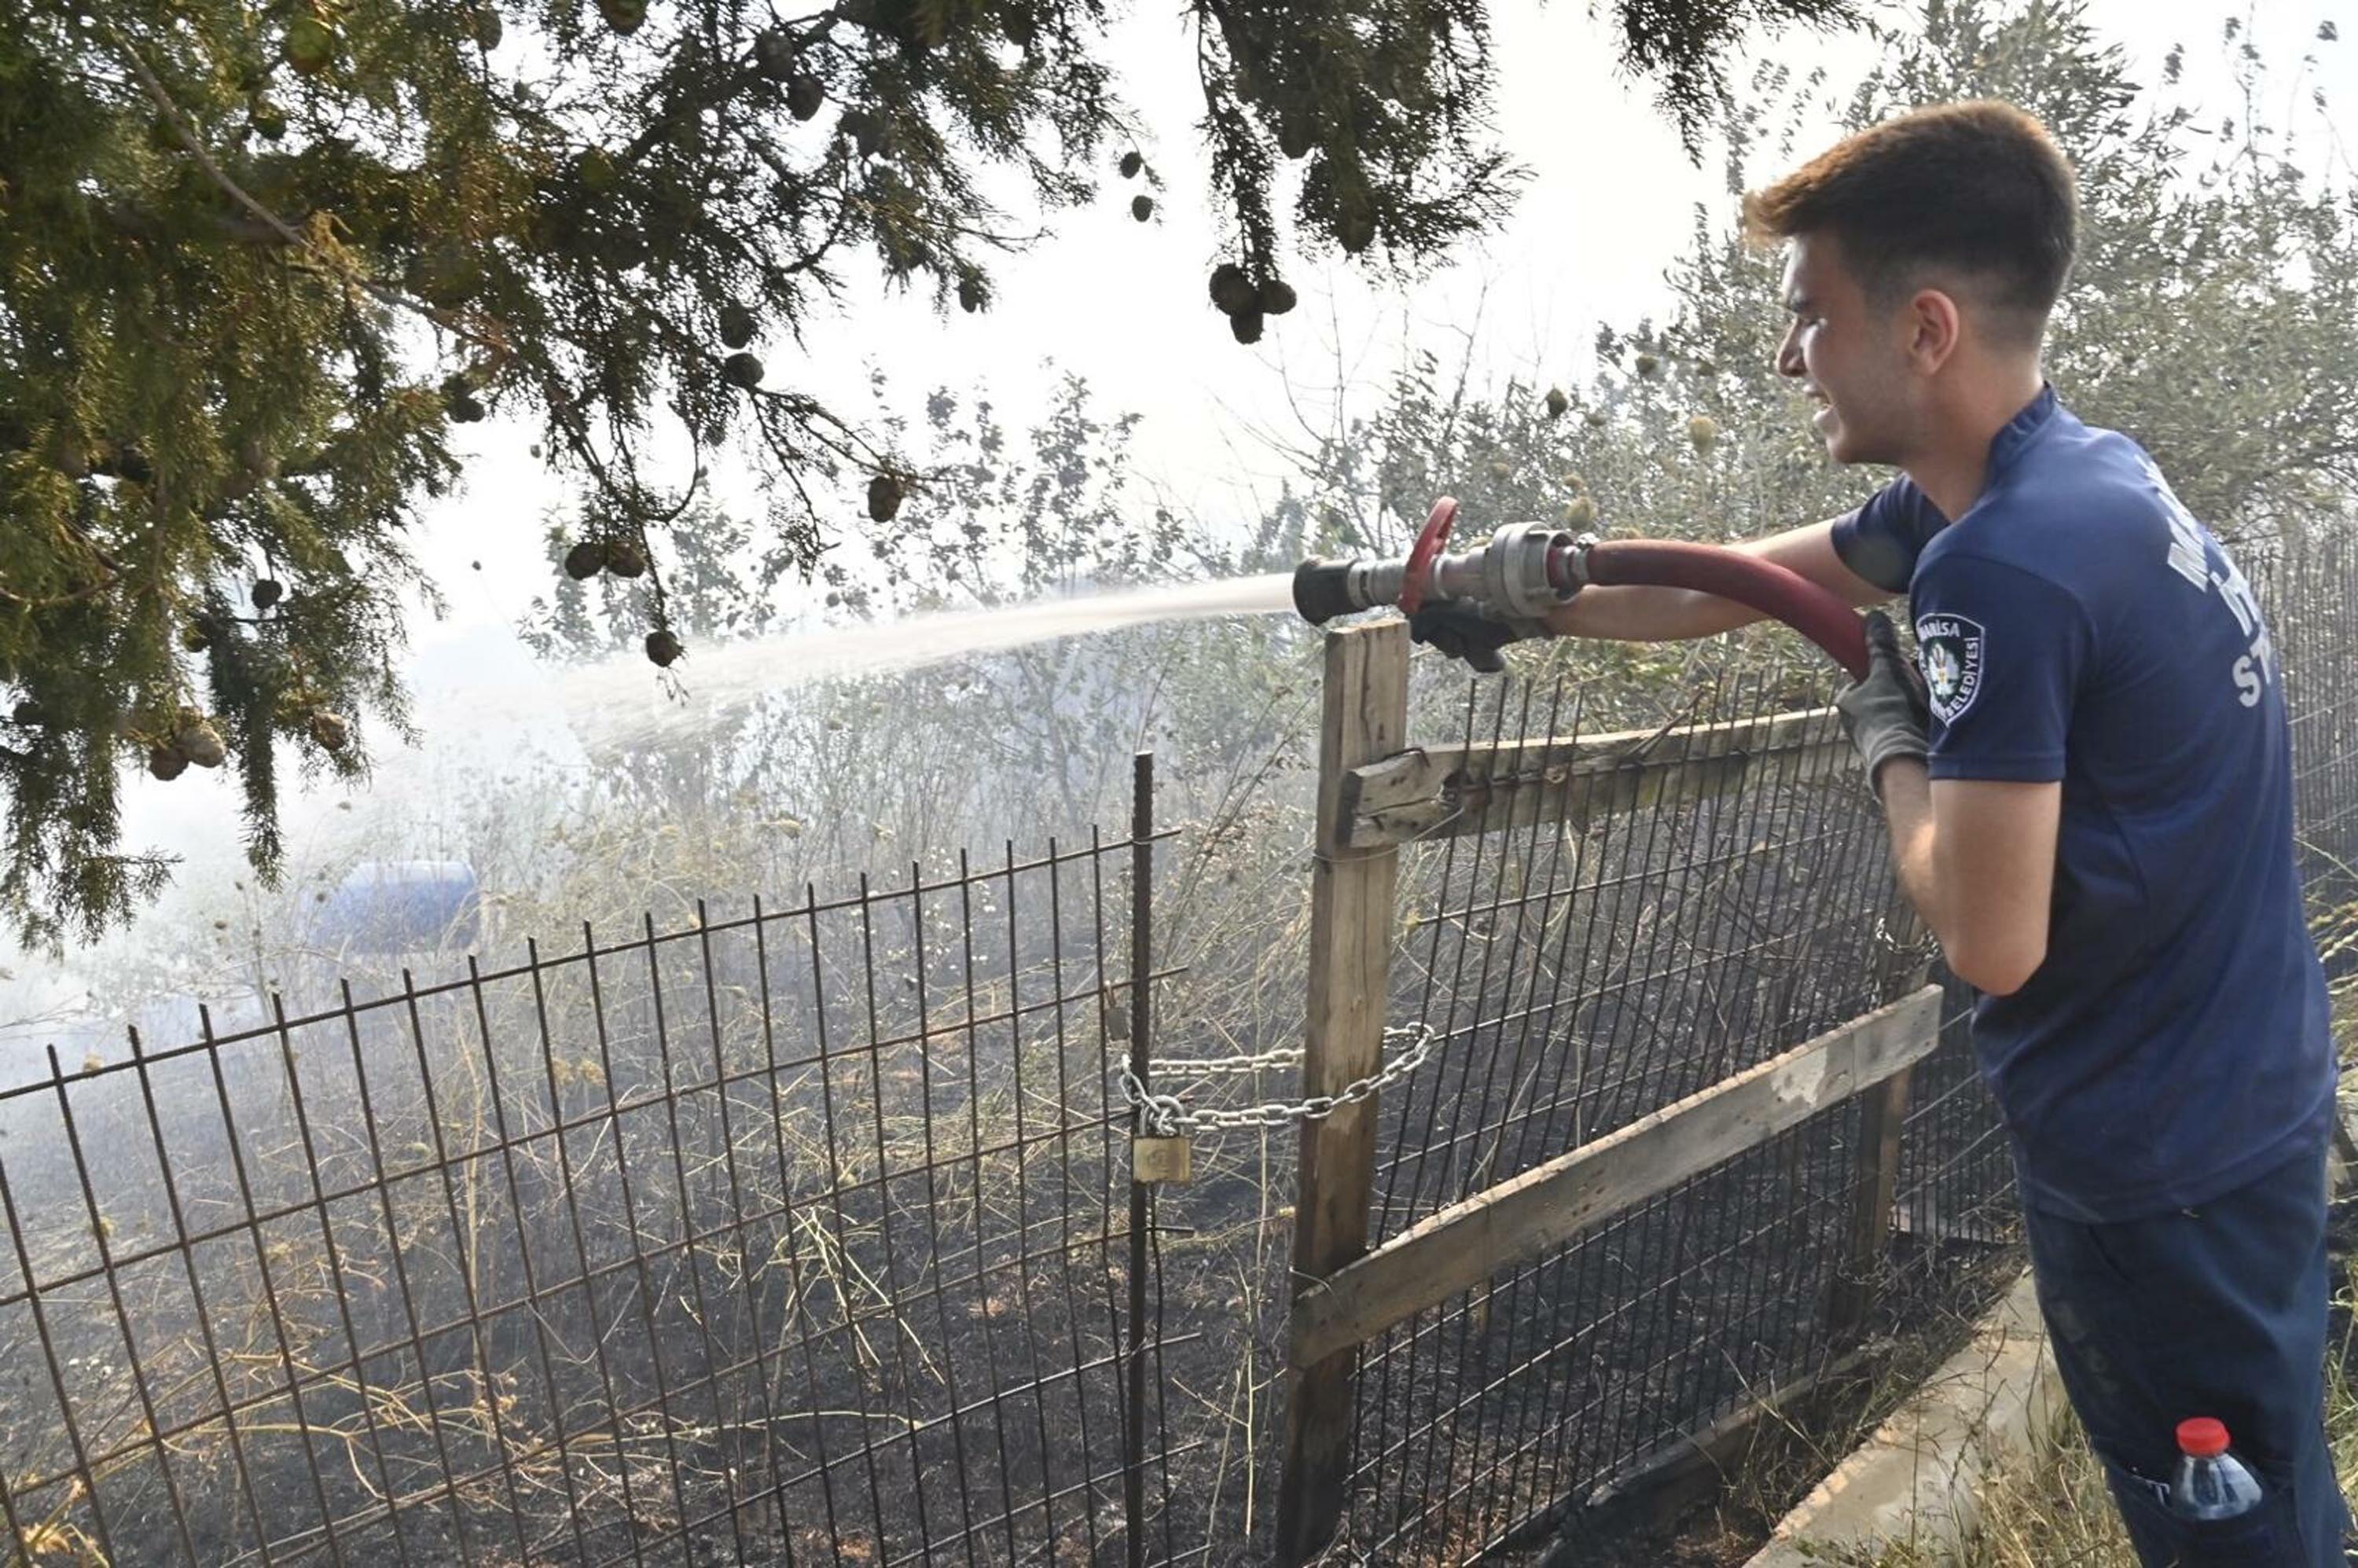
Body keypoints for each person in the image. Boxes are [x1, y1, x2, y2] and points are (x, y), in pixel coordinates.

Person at [1414, 100, 2346, 1564]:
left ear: (1921, 330)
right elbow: (1740, 585)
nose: (1791, 357)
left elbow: (1990, 936)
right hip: (2242, 1104)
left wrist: (1888, 737)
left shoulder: (2002, 566)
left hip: (2159, 1173)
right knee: (2275, 1496)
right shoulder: (2071, 479)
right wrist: (1530, 591)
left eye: (1810, 318)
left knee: (2231, 1537)